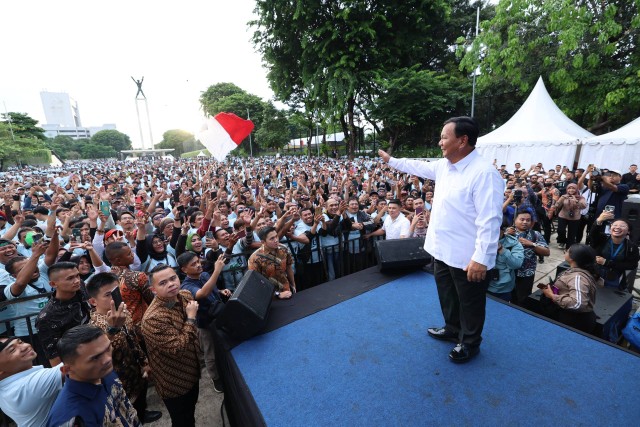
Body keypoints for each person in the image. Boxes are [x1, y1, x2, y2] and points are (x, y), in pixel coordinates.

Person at [379, 116, 504, 363]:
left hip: (467, 256)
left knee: (470, 302)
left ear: (463, 140)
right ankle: (452, 329)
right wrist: (392, 161)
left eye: (444, 137)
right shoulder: (444, 166)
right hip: (441, 250)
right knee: (447, 294)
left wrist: (481, 257)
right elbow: (418, 166)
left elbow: (490, 221)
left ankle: (470, 342)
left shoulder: (484, 174)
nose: (440, 143)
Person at [86, 273, 162, 424]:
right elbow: (100, 357)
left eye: (116, 292)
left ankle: (142, 414)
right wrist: (112, 330)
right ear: (93, 301)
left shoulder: (124, 312)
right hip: (118, 384)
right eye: (108, 295)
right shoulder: (93, 329)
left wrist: (144, 362)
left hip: (136, 374)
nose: (115, 297)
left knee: (140, 404)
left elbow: (132, 338)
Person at [46, 324, 141, 426]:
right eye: (96, 358)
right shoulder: (69, 417)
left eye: (108, 348)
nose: (108, 359)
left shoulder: (103, 372)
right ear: (67, 369)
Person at [142, 265, 200, 427]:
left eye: (173, 278)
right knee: (182, 420)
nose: (171, 284)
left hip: (192, 369)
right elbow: (177, 349)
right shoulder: (153, 318)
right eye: (163, 283)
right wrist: (191, 318)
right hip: (174, 381)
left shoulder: (185, 295)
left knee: (190, 414)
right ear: (153, 289)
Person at [178, 252, 229, 393]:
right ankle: (216, 379)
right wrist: (217, 270)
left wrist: (220, 291)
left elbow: (211, 288)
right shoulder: (186, 286)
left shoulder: (205, 275)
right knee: (210, 353)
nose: (198, 265)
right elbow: (202, 294)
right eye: (193, 264)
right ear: (184, 269)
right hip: (205, 324)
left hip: (219, 317)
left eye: (198, 261)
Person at [36, 262, 92, 367]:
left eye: (77, 275)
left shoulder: (80, 287)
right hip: (78, 364)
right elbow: (55, 360)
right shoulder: (47, 317)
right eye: (70, 278)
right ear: (53, 284)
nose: (76, 281)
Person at [0, 337, 64, 427]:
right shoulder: (27, 386)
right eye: (12, 350)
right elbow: (76, 362)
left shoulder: (6, 387)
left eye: (21, 342)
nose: (25, 346)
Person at [540, 244, 602, 333]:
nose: (565, 251)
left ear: (572, 258)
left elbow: (578, 304)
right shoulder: (579, 269)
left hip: (574, 321)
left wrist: (552, 296)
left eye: (568, 251)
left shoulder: (577, 278)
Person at [508, 211, 550, 305]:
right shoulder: (508, 232)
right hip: (508, 272)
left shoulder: (535, 234)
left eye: (528, 220)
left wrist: (532, 244)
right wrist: (506, 235)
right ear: (515, 221)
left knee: (523, 299)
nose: (525, 222)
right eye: (522, 219)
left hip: (526, 273)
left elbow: (547, 252)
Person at [589, 211, 639, 290]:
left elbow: (632, 265)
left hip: (615, 277)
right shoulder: (602, 239)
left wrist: (607, 263)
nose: (618, 227)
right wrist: (599, 221)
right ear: (610, 229)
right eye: (615, 225)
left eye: (622, 226)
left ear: (628, 231)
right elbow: (593, 234)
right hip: (596, 273)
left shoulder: (632, 247)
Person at [248, 226, 296, 299]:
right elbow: (256, 283)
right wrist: (278, 295)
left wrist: (293, 285)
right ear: (263, 242)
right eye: (272, 238)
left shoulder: (283, 249)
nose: (276, 240)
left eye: (276, 236)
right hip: (269, 298)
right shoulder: (254, 258)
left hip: (287, 292)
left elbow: (289, 267)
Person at [487, 221, 524, 302]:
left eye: (495, 230)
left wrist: (501, 249)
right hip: (483, 284)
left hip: (503, 289)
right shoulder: (479, 241)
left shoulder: (514, 243)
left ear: (503, 230)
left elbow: (517, 264)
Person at [554, 183, 587, 249]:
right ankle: (562, 241)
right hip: (563, 215)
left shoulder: (580, 197)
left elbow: (584, 206)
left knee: (572, 233)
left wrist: (576, 201)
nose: (571, 190)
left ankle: (568, 247)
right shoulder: (564, 196)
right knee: (561, 230)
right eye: (569, 188)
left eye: (573, 188)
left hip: (575, 218)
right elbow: (557, 206)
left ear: (576, 189)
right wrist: (561, 199)